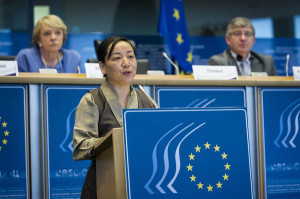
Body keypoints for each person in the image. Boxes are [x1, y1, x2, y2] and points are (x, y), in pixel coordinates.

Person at [72, 35, 157, 198]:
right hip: (102, 184)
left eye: (131, 56)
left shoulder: (147, 100)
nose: (127, 63)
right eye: (117, 58)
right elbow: (80, 147)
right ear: (102, 67)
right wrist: (117, 140)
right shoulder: (92, 100)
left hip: (140, 182)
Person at [208, 17, 277, 76]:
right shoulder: (218, 62)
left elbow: (275, 90)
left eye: (247, 34)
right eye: (237, 33)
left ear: (253, 40)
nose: (243, 38)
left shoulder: (266, 62)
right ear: (228, 39)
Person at [15, 14, 82, 73]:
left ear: (63, 36)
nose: (53, 38)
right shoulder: (25, 57)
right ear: (38, 39)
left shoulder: (73, 58)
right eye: (47, 33)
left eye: (58, 33)